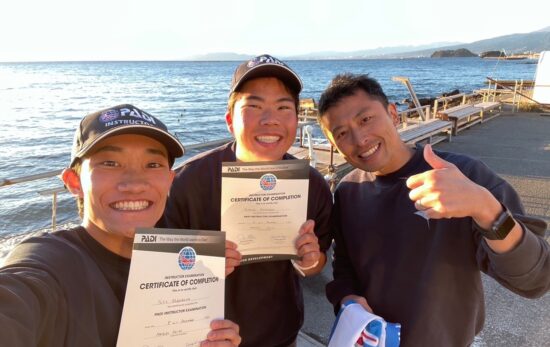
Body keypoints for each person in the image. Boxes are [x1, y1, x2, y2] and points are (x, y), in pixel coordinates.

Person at [317, 74, 550, 346]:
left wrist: (486, 209)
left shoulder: (462, 175)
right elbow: (344, 267)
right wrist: (347, 299)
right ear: (335, 146)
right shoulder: (347, 191)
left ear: (393, 114)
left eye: (365, 119)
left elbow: (536, 278)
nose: (359, 138)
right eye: (342, 133)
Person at [0, 104, 241, 347]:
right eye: (110, 163)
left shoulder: (183, 263)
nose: (135, 184)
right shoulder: (51, 263)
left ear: (170, 181)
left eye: (153, 164)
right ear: (74, 182)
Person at [160, 54, 333, 347]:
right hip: (205, 339)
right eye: (253, 107)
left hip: (281, 334)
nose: (270, 120)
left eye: (283, 107)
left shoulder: (312, 185)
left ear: (296, 117)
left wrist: (310, 261)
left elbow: (317, 262)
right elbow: (156, 272)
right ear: (230, 120)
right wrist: (200, 265)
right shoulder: (187, 182)